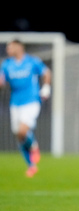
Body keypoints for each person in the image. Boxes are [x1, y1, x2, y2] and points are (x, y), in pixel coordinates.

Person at [0, 39, 51, 177]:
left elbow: (46, 73)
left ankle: (33, 146)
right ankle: (31, 166)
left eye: (10, 47)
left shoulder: (32, 61)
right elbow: (2, 82)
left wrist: (46, 88)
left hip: (31, 101)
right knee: (19, 136)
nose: (8, 50)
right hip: (15, 103)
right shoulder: (6, 65)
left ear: (19, 47)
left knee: (22, 131)